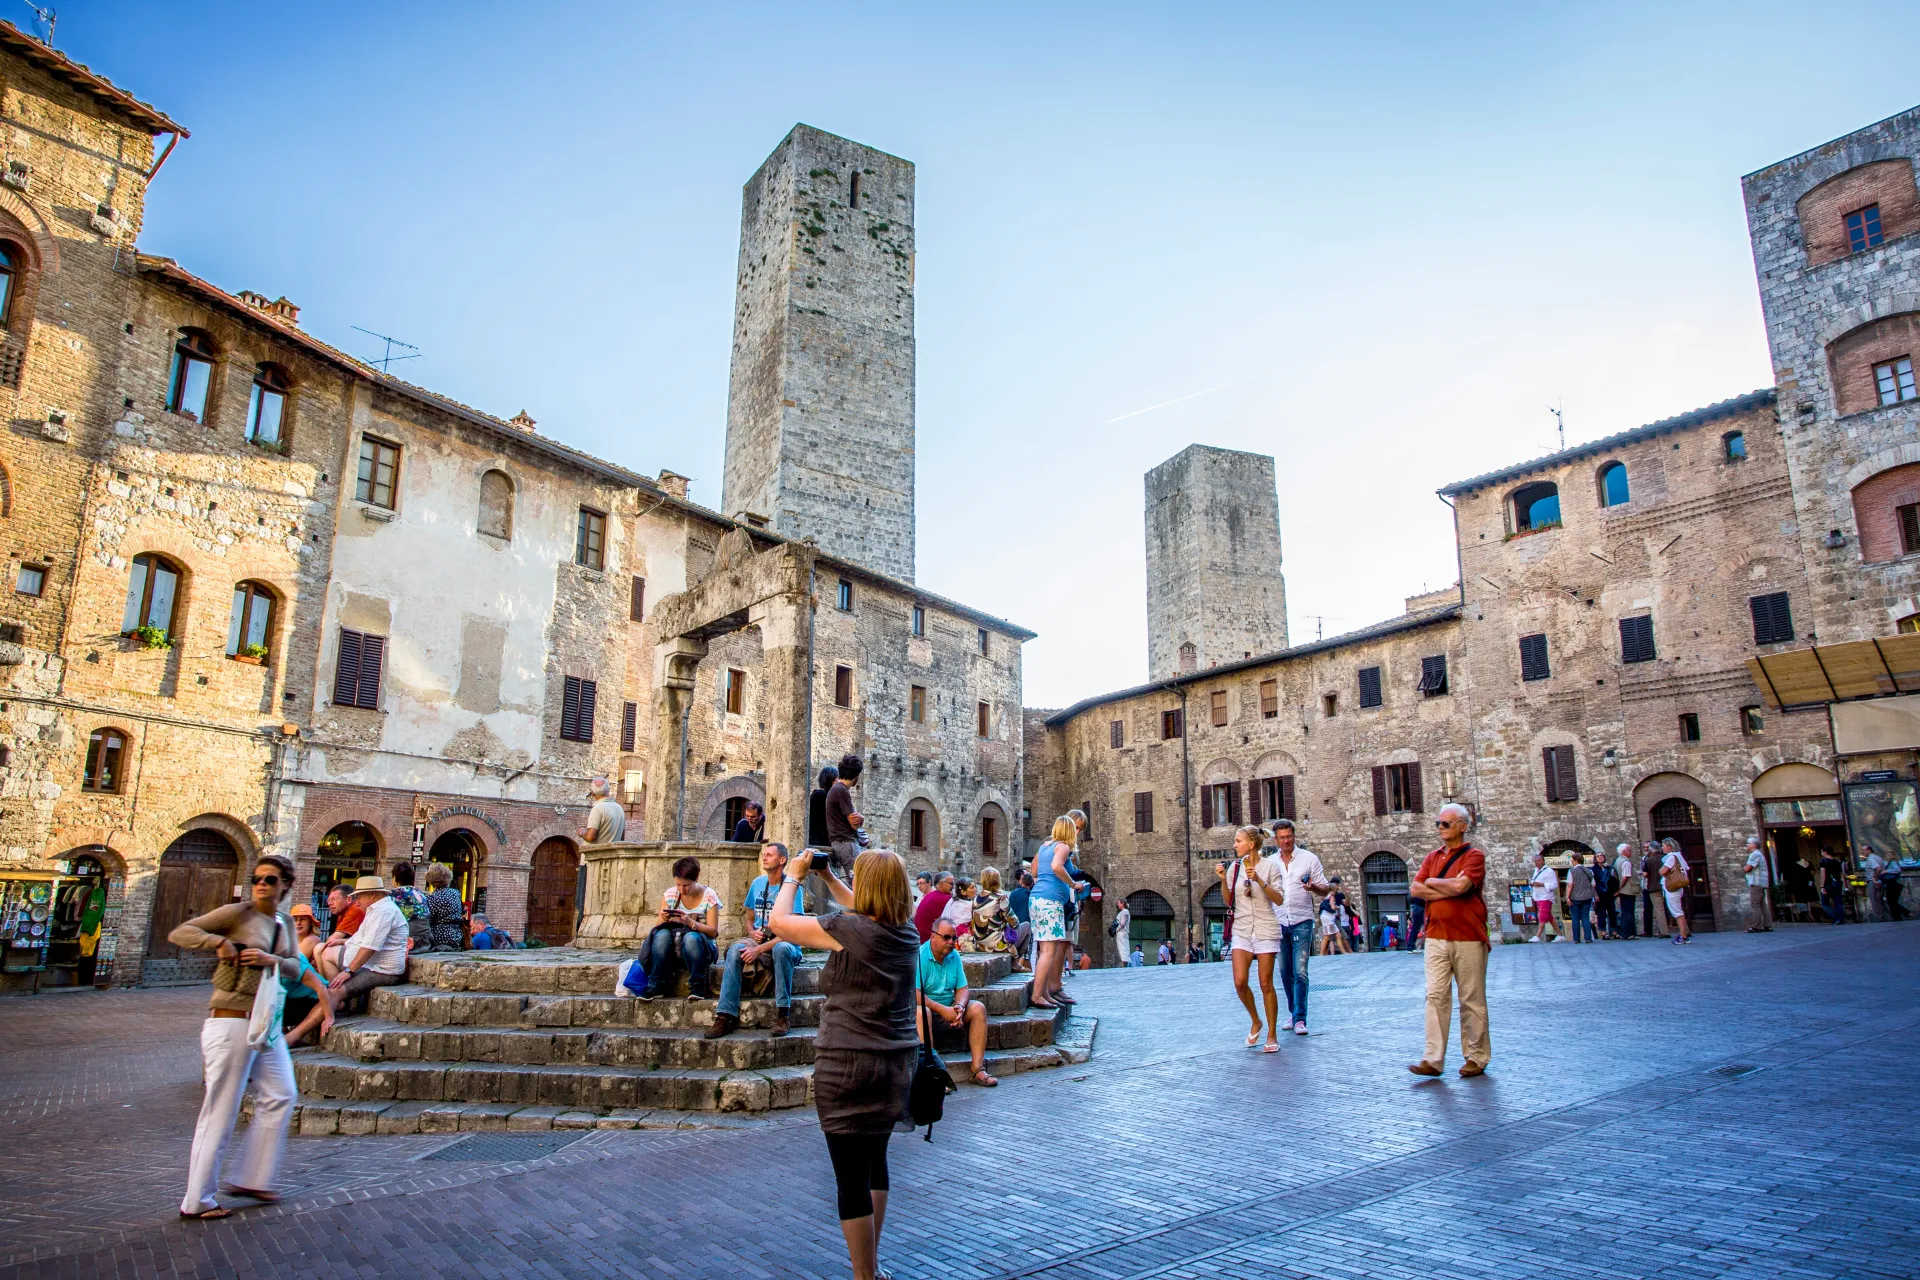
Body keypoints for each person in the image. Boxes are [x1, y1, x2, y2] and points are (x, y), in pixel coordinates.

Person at [769, 848, 917, 1280]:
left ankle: (863, 1275)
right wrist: (830, 877)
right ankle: (873, 1266)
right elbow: (864, 905)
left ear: (867, 886)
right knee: (875, 1162)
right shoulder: (905, 930)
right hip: (894, 1064)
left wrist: (793, 877)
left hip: (847, 1063)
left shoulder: (851, 930)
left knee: (850, 1176)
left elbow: (780, 924)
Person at [171, 854, 333, 1218]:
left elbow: (292, 964)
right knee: (220, 1111)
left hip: (265, 1023)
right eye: (257, 878)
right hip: (231, 1021)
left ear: (285, 885)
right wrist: (218, 943)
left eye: (270, 879)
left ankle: (252, 1179)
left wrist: (268, 960)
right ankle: (197, 1201)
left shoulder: (283, 922)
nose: (261, 884)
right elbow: (181, 932)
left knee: (282, 1093)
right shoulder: (238, 913)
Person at [1407, 804, 1491, 1078]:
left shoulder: (1474, 856)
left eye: (1446, 823)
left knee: (1471, 997)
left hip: (1468, 936)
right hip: (1435, 935)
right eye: (1438, 823)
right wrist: (1445, 887)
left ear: (1463, 826)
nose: (1440, 828)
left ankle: (1476, 1056)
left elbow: (1463, 886)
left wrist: (1433, 883)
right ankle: (1432, 1058)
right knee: (1435, 995)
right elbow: (1416, 889)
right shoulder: (1431, 857)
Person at [1243, 818, 1332, 1035]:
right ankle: (1293, 1012)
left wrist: (1312, 887)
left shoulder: (1309, 859)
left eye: (1289, 837)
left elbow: (1325, 888)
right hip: (1278, 921)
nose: (1286, 841)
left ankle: (1300, 1018)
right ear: (1275, 839)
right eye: (1282, 838)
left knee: (1300, 971)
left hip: (1302, 920)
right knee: (1284, 972)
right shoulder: (1269, 863)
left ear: (1294, 836)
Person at [708, 842, 804, 1039]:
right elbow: (749, 919)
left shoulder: (793, 888)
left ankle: (783, 1013)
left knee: (781, 949)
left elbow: (793, 931)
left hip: (785, 942)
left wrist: (758, 950)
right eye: (764, 854)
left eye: (769, 855)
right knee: (734, 950)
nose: (764, 857)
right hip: (759, 940)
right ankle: (725, 1015)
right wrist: (752, 933)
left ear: (782, 860)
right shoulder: (757, 883)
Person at [1218, 825, 1285, 1051]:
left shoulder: (1270, 867)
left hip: (1265, 929)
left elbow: (1279, 899)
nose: (1235, 845)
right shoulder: (1234, 868)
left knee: (1266, 983)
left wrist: (1259, 880)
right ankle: (1256, 1020)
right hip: (1242, 929)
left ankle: (1272, 1035)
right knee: (1239, 982)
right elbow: (1228, 900)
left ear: (1251, 844)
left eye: (1238, 841)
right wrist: (1222, 880)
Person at [917, 918, 997, 1087]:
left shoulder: (954, 956)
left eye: (954, 938)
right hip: (929, 1011)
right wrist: (943, 1010)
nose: (951, 942)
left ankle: (977, 1069)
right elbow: (914, 993)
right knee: (921, 1012)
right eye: (946, 937)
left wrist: (959, 1007)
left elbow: (963, 988)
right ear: (933, 936)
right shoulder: (920, 956)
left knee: (978, 1008)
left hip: (949, 1010)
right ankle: (933, 1074)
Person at [634, 856, 723, 1000]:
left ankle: (698, 986)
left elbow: (713, 932)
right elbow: (656, 930)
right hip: (673, 949)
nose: (682, 889)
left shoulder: (709, 896)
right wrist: (663, 919)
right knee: (661, 935)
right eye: (678, 885)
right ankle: (655, 985)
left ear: (696, 879)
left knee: (691, 937)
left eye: (686, 885)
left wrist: (690, 923)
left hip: (700, 950)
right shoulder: (670, 894)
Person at [1029, 816, 1087, 1009]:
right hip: (1050, 901)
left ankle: (1044, 993)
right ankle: (1037, 995)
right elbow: (1056, 866)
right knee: (1048, 951)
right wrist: (1073, 883)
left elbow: (1034, 871)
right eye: (1075, 829)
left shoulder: (1045, 846)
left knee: (1044, 949)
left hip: (1037, 899)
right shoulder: (1063, 847)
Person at [327, 875, 412, 1007]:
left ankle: (333, 1007)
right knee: (329, 982)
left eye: (359, 896)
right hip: (372, 966)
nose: (356, 901)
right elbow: (361, 939)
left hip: (382, 970)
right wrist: (341, 943)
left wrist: (348, 971)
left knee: (333, 992)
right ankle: (335, 1000)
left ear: (372, 894)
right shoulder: (376, 910)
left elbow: (370, 948)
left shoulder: (384, 911)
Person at [281, 905, 329, 1047]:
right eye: (295, 920)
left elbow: (295, 963)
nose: (298, 923)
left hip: (309, 989)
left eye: (303, 919)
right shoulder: (290, 943)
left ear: (310, 923)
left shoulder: (312, 940)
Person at [823, 754, 865, 882]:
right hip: (846, 843)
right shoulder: (841, 791)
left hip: (841, 843)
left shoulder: (836, 789)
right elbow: (854, 824)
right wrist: (861, 819)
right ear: (856, 775)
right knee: (860, 882)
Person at [315, 883, 364, 979]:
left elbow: (332, 940)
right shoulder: (342, 914)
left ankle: (327, 984)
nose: (329, 903)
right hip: (353, 949)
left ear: (348, 899)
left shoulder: (355, 910)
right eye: (329, 900)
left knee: (320, 948)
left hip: (360, 955)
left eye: (333, 899)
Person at [423, 861, 467, 951]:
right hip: (457, 934)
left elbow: (428, 919)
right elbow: (461, 911)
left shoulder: (432, 898)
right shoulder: (456, 893)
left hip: (438, 936)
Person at [389, 861, 431, 953]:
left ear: (395, 878)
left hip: (408, 941)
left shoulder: (394, 895)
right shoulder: (421, 894)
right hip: (426, 941)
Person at [1659, 838, 1694, 943]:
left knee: (1677, 912)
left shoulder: (1671, 857)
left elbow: (1662, 871)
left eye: (1663, 845)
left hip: (1672, 888)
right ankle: (1684, 934)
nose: (1662, 847)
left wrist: (1661, 870)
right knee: (1678, 911)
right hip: (1677, 887)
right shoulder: (1679, 856)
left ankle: (1683, 936)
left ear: (1669, 847)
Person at [579, 775, 626, 845]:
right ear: (608, 790)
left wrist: (581, 832)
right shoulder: (620, 808)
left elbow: (590, 837)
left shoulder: (598, 808)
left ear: (593, 793)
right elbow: (622, 837)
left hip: (596, 851)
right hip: (612, 851)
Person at [1744, 837, 1775, 933]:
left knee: (1755, 904)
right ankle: (1767, 925)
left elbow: (1747, 868)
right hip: (1761, 883)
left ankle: (1756, 926)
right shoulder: (1758, 854)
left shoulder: (1755, 854)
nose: (1747, 845)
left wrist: (1744, 867)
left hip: (1756, 883)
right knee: (1762, 904)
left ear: (1753, 845)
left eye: (1748, 843)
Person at [911, 872, 953, 943]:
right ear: (942, 884)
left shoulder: (930, 896)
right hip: (929, 940)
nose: (953, 886)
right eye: (951, 883)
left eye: (921, 883)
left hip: (919, 938)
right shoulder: (945, 898)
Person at [1528, 851, 1560, 942]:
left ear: (1543, 861)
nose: (1537, 862)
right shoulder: (1536, 871)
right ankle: (1560, 935)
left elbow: (1554, 885)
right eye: (1535, 861)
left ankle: (1537, 936)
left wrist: (1541, 884)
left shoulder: (1549, 871)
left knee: (1542, 916)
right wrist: (1533, 884)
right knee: (1549, 916)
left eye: (1538, 860)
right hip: (1538, 897)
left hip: (1546, 897)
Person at [1567, 852, 1595, 943]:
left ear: (1575, 860)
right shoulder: (1589, 871)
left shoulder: (1571, 871)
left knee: (1575, 917)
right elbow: (1593, 884)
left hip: (1575, 897)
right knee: (1585, 917)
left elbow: (1570, 885)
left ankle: (1576, 939)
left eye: (1572, 860)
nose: (1571, 861)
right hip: (1587, 896)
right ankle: (1588, 938)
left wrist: (1567, 897)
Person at [808, 765, 838, 850]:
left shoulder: (820, 795)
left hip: (821, 841)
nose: (839, 781)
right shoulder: (820, 796)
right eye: (837, 778)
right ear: (831, 779)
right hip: (818, 842)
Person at [1007, 872, 1034, 969]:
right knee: (1026, 956)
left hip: (1012, 927)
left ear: (1021, 882)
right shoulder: (1030, 895)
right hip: (1026, 926)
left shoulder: (1013, 893)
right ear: (1031, 883)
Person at [939, 877, 976, 944]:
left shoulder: (952, 901)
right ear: (963, 892)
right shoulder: (965, 906)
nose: (975, 889)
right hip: (961, 938)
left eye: (975, 887)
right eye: (972, 887)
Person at [1613, 843, 1640, 939]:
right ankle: (1626, 933)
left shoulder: (1617, 861)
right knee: (1628, 912)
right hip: (1628, 889)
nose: (1630, 852)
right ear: (1624, 851)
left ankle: (1630, 932)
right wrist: (1620, 888)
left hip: (1624, 890)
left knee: (1626, 911)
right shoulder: (1626, 862)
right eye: (1629, 850)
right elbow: (1625, 877)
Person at [1640, 842, 1667, 938]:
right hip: (1663, 885)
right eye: (1644, 847)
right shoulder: (1665, 858)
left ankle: (1664, 931)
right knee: (1670, 908)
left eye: (1648, 847)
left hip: (1653, 886)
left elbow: (1645, 874)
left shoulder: (1649, 860)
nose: (1646, 849)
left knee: (1660, 910)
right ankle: (1684, 930)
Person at [1592, 846, 1618, 939]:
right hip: (1600, 894)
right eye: (1598, 856)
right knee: (1601, 914)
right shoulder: (1593, 870)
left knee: (1612, 913)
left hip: (1609, 894)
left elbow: (1614, 880)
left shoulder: (1608, 868)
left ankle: (1614, 932)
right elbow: (1593, 883)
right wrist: (1595, 895)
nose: (1600, 857)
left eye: (1601, 855)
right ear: (1595, 859)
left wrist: (1616, 890)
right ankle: (1603, 933)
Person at [1818, 847, 1846, 926]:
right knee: (1838, 903)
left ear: (1825, 852)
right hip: (1837, 884)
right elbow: (1841, 875)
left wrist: (1822, 886)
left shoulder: (1823, 861)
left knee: (1824, 903)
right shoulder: (1837, 862)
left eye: (1822, 851)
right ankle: (1841, 918)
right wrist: (1844, 885)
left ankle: (1835, 917)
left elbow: (1823, 874)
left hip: (1828, 885)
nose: (1821, 853)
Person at [1109, 900, 1132, 968]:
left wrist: (1116, 930)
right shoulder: (1124, 912)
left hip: (1122, 933)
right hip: (1122, 933)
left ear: (1122, 903)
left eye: (1118, 903)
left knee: (1123, 949)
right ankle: (1124, 965)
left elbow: (1122, 923)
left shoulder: (1125, 912)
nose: (1117, 905)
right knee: (1123, 949)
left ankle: (1124, 966)